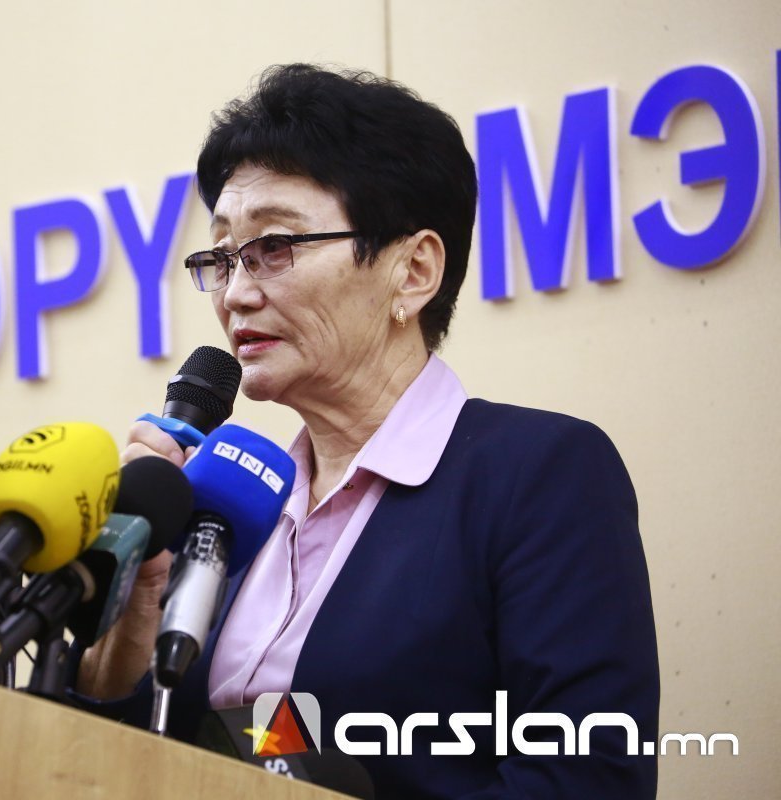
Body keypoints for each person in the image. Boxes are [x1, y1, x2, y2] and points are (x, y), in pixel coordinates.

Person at [73, 64, 659, 799]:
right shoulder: (222, 510)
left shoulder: (540, 477)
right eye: (221, 258)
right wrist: (135, 614)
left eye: (274, 246)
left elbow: (588, 780)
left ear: (413, 271)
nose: (237, 293)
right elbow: (110, 764)